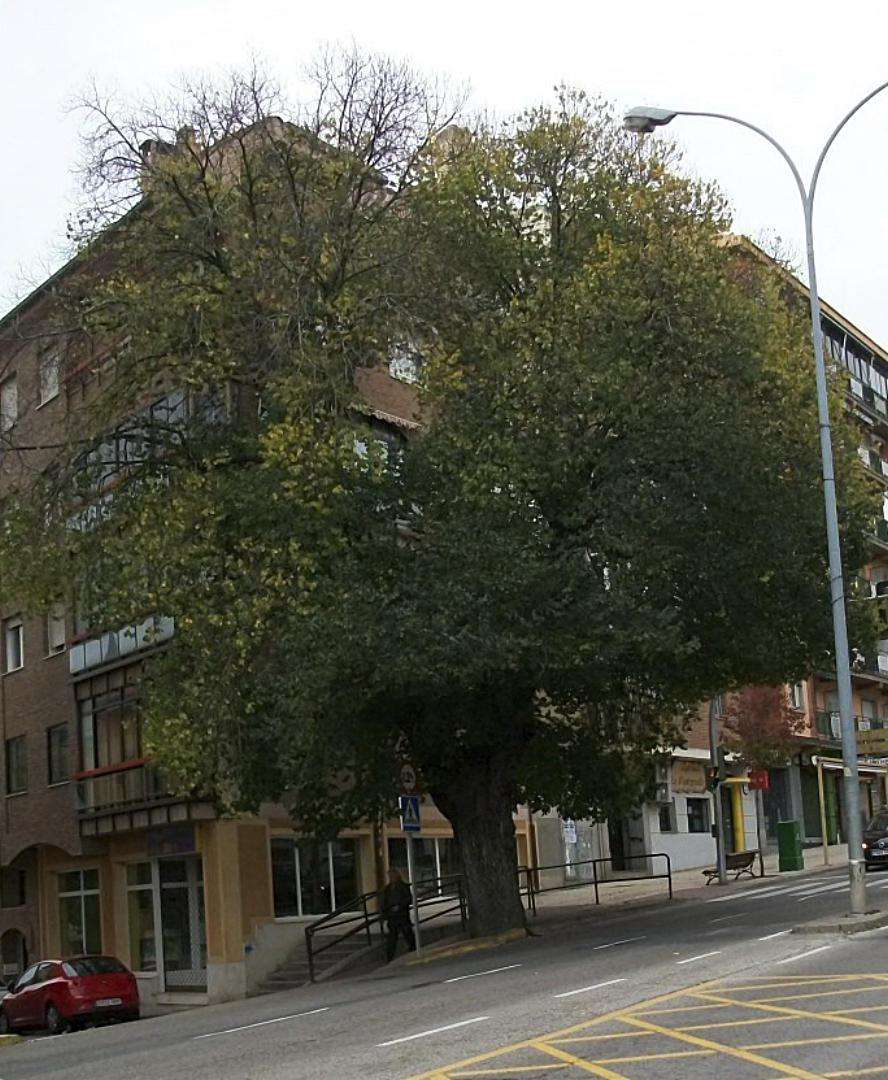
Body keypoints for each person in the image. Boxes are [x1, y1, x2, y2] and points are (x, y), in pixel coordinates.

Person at [382, 867, 416, 962]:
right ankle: (390, 957)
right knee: (392, 938)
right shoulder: (388, 889)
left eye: (392, 875)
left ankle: (413, 948)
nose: (390, 877)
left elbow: (408, 899)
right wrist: (385, 913)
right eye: (389, 875)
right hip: (392, 917)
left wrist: (400, 906)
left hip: (402, 915)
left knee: (408, 934)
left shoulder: (403, 886)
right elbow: (385, 902)